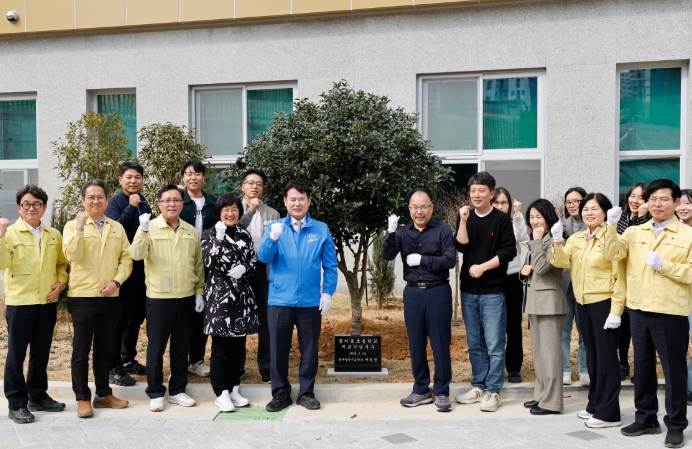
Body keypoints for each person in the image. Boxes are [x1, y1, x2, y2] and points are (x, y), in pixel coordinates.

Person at [603, 179, 692, 449]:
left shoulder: (688, 235)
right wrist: (610, 227)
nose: (657, 204)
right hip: (639, 311)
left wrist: (665, 265)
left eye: (664, 199)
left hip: (670, 312)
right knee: (642, 369)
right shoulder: (635, 232)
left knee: (673, 372)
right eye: (652, 199)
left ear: (676, 202)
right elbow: (612, 253)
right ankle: (646, 418)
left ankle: (675, 424)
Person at [257, 181, 338, 412]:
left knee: (309, 350)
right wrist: (272, 238)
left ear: (309, 201)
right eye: (292, 199)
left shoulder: (320, 229)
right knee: (277, 350)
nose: (297, 203)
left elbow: (331, 265)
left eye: (302, 199)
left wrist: (327, 292)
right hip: (280, 300)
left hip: (310, 301)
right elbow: (263, 258)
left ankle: (306, 393)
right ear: (285, 202)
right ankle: (280, 393)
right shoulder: (275, 227)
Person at [550, 193, 626, 428]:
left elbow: (620, 275)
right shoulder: (578, 238)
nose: (589, 213)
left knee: (607, 358)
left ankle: (610, 413)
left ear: (605, 212)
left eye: (594, 208)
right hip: (583, 302)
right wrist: (557, 241)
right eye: (585, 209)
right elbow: (561, 262)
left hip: (604, 303)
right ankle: (595, 403)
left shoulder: (613, 238)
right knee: (593, 356)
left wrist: (616, 310)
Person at [130, 184, 205, 413]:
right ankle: (155, 392)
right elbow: (136, 254)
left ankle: (177, 390)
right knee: (156, 348)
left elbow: (198, 265)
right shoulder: (149, 227)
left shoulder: (190, 231)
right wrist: (142, 230)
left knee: (181, 347)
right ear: (159, 204)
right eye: (167, 200)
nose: (172, 204)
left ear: (183, 203)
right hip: (159, 298)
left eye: (176, 200)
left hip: (186, 297)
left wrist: (199, 292)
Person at [63, 180, 133, 418]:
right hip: (83, 297)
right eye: (91, 197)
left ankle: (103, 394)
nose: (96, 201)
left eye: (100, 197)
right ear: (83, 200)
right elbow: (71, 255)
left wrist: (116, 281)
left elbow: (126, 259)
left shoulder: (117, 227)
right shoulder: (72, 226)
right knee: (81, 351)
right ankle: (82, 398)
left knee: (105, 349)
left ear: (107, 200)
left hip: (110, 296)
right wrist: (80, 228)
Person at [382, 188, 456, 412]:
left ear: (431, 207)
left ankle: (442, 391)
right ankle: (421, 389)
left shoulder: (443, 230)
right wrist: (390, 232)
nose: (419, 211)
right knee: (416, 343)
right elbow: (387, 255)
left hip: (438, 291)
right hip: (413, 293)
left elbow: (449, 260)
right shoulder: (403, 232)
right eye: (414, 207)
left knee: (440, 343)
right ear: (409, 209)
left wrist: (423, 260)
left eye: (424, 206)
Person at [1, 185, 68, 424]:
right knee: (16, 355)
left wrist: (61, 282)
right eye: (26, 204)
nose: (31, 208)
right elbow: (2, 263)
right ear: (19, 207)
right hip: (20, 303)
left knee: (41, 353)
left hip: (46, 303)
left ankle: (38, 396)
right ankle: (16, 403)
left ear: (44, 207)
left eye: (37, 204)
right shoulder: (9, 233)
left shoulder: (54, 234)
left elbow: (61, 264)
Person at [454, 172, 517, 412]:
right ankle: (478, 385)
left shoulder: (501, 220)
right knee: (475, 343)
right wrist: (462, 221)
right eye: (473, 191)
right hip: (469, 291)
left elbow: (508, 251)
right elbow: (461, 246)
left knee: (494, 343)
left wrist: (483, 267)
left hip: (492, 291)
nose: (476, 195)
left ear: (491, 193)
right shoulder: (466, 217)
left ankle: (493, 390)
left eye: (481, 190)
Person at [202, 194, 259, 412]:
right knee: (220, 346)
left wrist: (245, 268)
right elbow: (209, 262)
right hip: (220, 297)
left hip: (241, 296)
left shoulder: (244, 234)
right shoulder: (209, 234)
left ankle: (234, 388)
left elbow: (253, 261)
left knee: (238, 346)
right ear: (219, 212)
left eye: (234, 209)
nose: (230, 213)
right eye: (226, 209)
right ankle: (221, 393)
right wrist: (218, 239)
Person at [105, 161, 153, 387]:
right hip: (122, 269)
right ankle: (113, 366)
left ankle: (128, 359)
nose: (133, 181)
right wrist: (131, 207)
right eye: (129, 177)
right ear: (120, 180)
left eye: (137, 177)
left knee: (136, 317)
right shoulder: (114, 203)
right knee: (120, 319)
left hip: (142, 270)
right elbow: (115, 231)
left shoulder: (145, 203)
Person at [520, 199, 567, 416]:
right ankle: (541, 395)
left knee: (550, 356)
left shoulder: (556, 240)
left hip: (550, 304)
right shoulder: (538, 240)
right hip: (536, 303)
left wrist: (537, 241)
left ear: (549, 217)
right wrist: (523, 272)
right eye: (531, 217)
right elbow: (532, 270)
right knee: (539, 354)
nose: (534, 221)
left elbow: (541, 267)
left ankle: (552, 402)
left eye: (539, 216)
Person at [236, 168, 280, 384]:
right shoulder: (233, 209)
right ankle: (237, 365)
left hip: (263, 271)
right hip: (238, 271)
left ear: (263, 188)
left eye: (259, 184)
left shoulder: (273, 214)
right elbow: (233, 232)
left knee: (266, 318)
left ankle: (266, 365)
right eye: (250, 183)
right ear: (242, 186)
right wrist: (250, 211)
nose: (254, 186)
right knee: (238, 315)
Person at [179, 160, 217, 378]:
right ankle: (179, 361)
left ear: (204, 177)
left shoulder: (214, 203)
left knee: (202, 315)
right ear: (183, 177)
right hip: (182, 265)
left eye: (197, 173)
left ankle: (196, 360)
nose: (193, 177)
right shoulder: (177, 201)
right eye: (188, 173)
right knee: (182, 316)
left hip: (208, 266)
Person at [491, 187, 529, 383]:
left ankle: (514, 368)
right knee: (492, 326)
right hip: (491, 279)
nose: (500, 206)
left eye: (503, 203)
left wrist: (518, 214)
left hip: (512, 278)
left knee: (513, 325)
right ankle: (493, 367)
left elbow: (522, 238)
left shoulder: (514, 223)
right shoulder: (487, 223)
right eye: (496, 202)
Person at [616, 181, 650, 382]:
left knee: (638, 331)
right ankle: (622, 364)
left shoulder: (649, 221)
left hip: (640, 282)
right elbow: (620, 245)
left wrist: (641, 217)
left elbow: (639, 244)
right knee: (622, 330)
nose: (635, 200)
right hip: (621, 280)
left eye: (641, 197)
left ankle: (642, 369)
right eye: (633, 195)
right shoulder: (621, 218)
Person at [560, 187, 588, 387]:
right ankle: (564, 369)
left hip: (586, 285)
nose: (572, 205)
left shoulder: (595, 224)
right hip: (565, 285)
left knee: (585, 330)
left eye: (576, 201)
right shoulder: (560, 225)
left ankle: (585, 369)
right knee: (563, 330)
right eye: (568, 202)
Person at [678, 189, 692, 406]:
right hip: (676, 295)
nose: (682, 207)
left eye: (688, 203)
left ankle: (689, 387)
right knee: (677, 345)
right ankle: (681, 387)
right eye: (679, 203)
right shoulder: (672, 231)